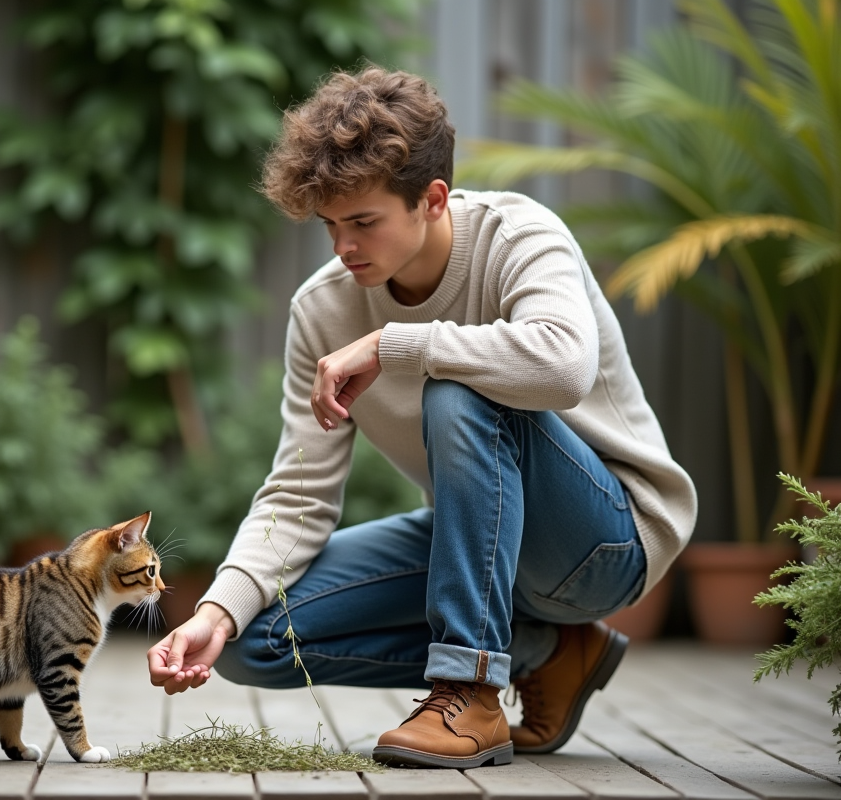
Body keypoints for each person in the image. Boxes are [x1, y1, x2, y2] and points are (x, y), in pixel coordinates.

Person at [146, 66, 697, 769]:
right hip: (482, 547)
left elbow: (564, 367)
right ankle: (546, 652)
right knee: (252, 640)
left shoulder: (519, 237)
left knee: (457, 391)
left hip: (604, 544)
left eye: (363, 222)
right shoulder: (323, 309)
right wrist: (215, 611)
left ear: (432, 199)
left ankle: (468, 690)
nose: (343, 247)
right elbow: (299, 492)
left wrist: (396, 346)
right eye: (330, 225)